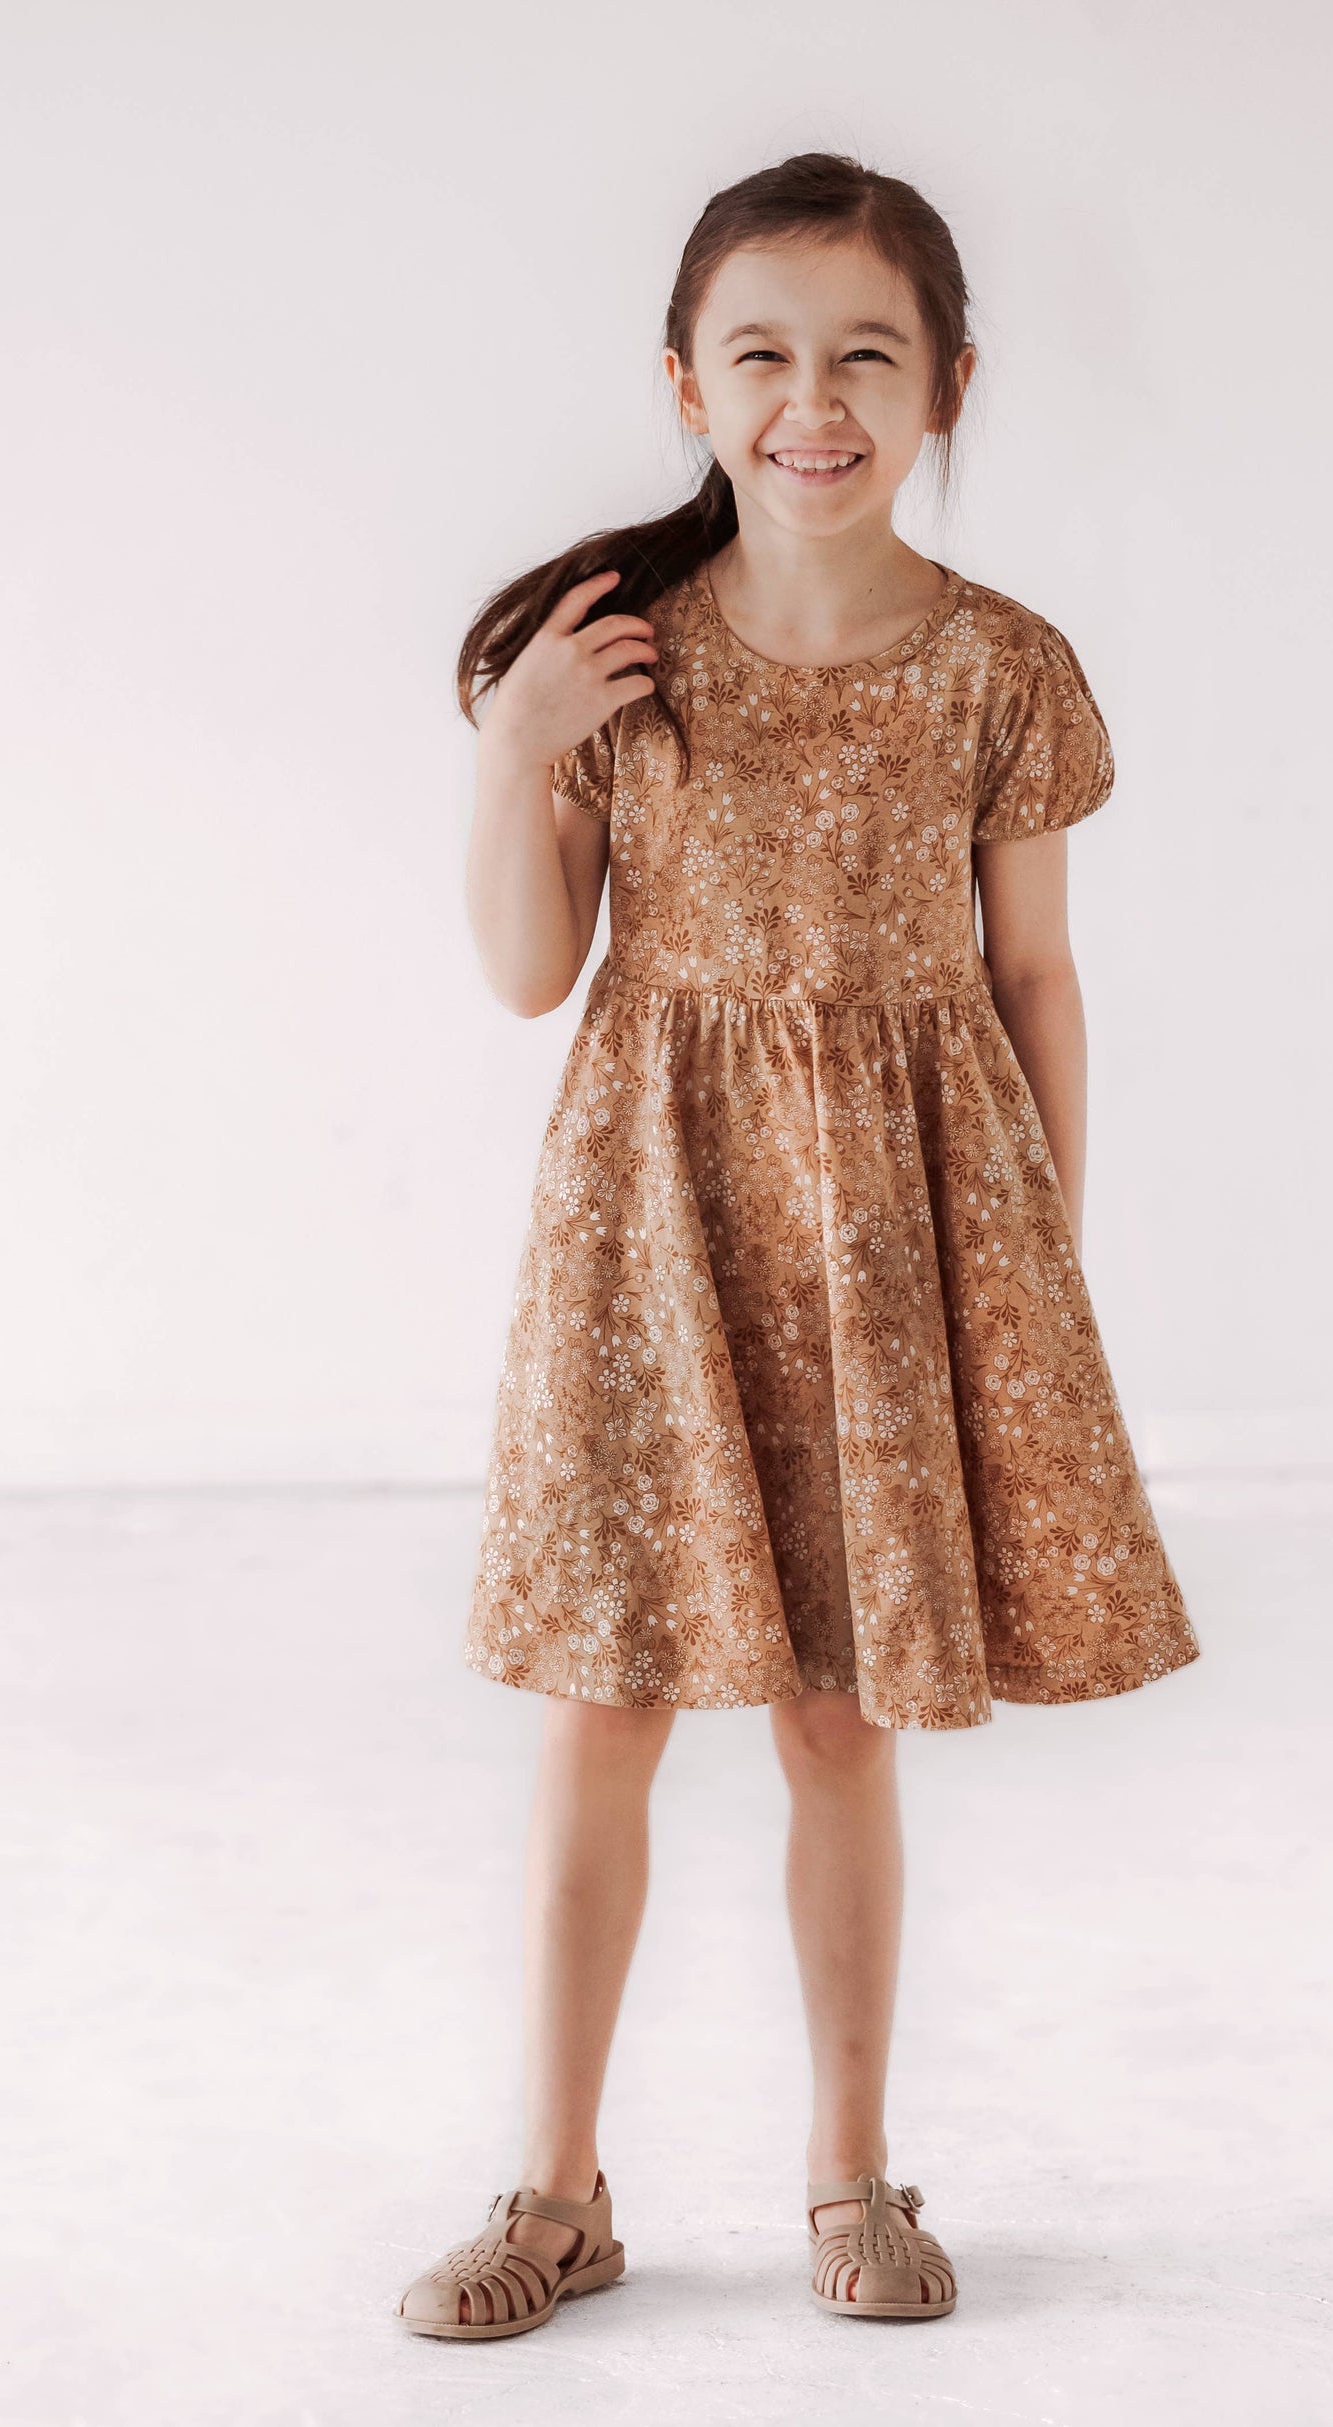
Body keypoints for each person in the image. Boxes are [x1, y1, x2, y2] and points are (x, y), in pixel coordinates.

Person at [398, 150, 1201, 2343]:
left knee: (841, 1720)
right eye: (759, 355)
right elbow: (525, 969)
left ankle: (851, 2168)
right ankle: (553, 2189)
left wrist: (1035, 1258)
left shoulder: (1000, 669)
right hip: (647, 1228)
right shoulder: (611, 656)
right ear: (686, 380)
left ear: (950, 378)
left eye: (865, 352)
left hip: (905, 1238)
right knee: (605, 1710)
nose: (811, 400)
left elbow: (1031, 977)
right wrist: (510, 754)